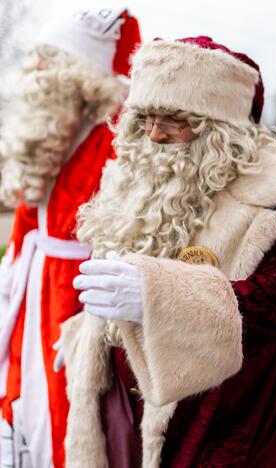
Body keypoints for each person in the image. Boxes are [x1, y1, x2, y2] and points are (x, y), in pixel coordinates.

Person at [58, 37, 276, 467]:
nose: (153, 134)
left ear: (220, 128)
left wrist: (161, 297)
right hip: (120, 411)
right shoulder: (131, 177)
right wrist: (85, 332)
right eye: (145, 117)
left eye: (173, 120)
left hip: (217, 415)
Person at [0, 6, 140, 467]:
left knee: (65, 414)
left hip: (74, 293)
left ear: (78, 73)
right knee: (22, 399)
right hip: (31, 290)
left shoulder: (114, 135)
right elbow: (24, 217)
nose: (36, 69)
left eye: (49, 59)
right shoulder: (54, 129)